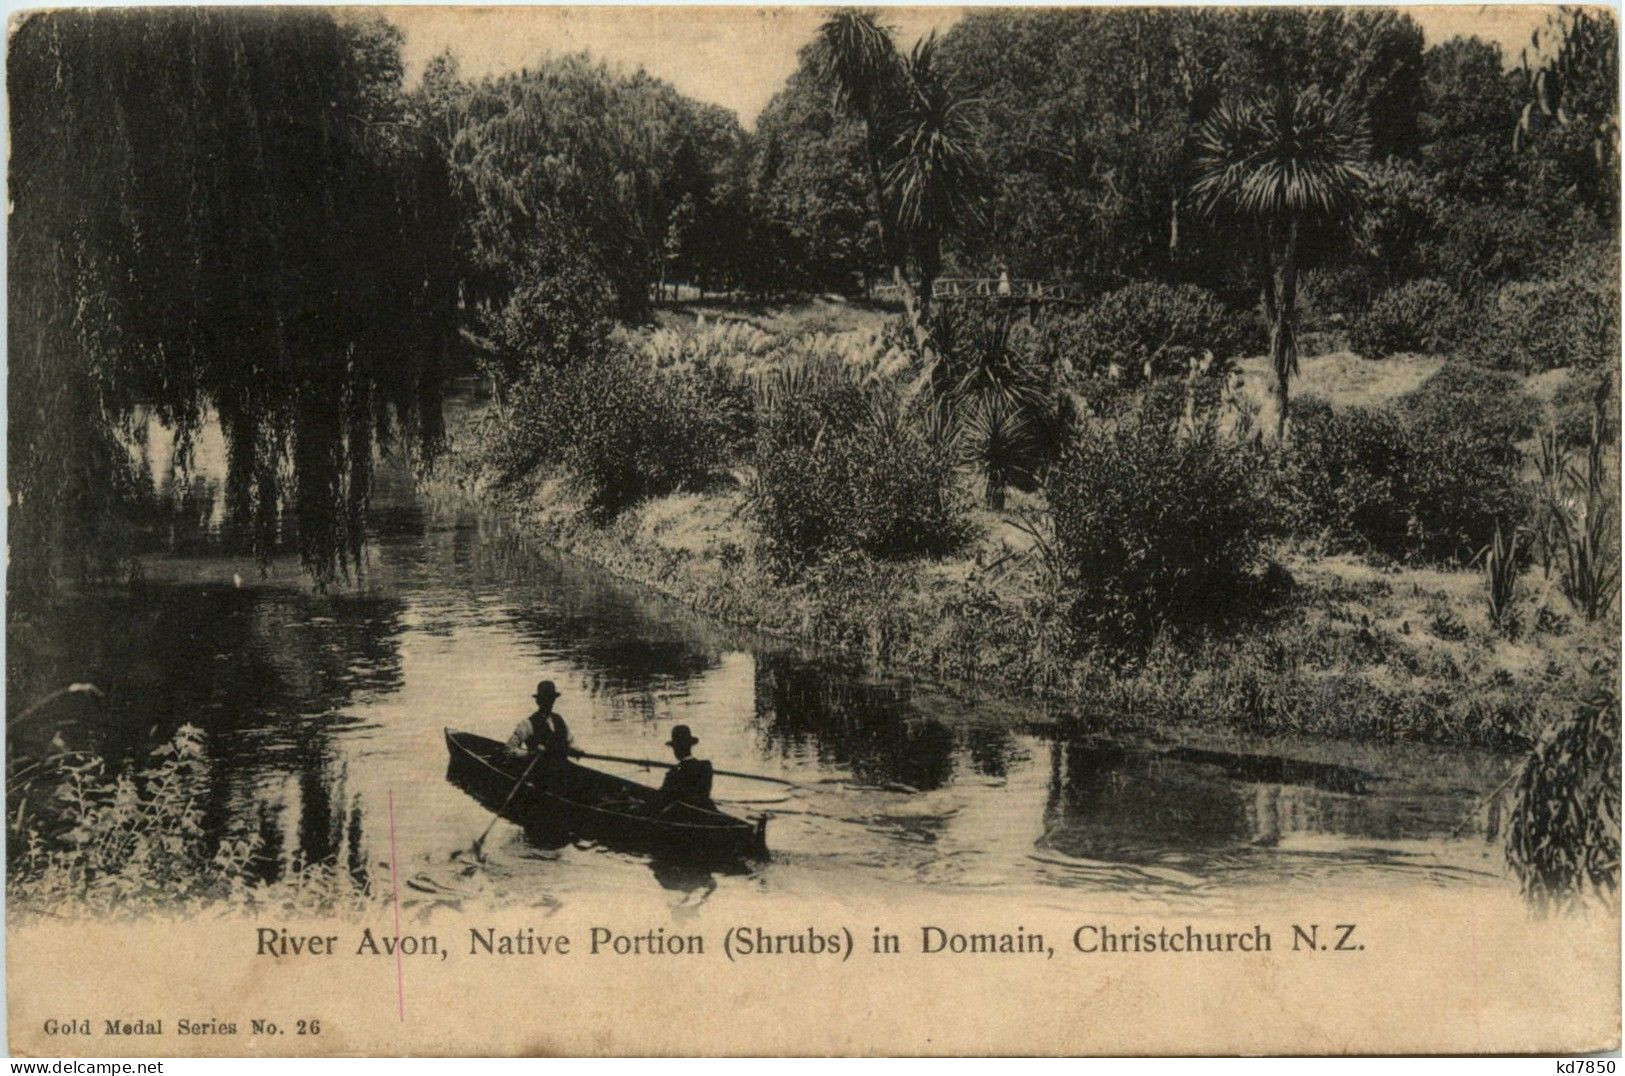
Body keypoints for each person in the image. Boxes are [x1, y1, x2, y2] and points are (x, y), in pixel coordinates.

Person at [650, 725, 714, 813]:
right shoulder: (705, 766)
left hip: (681, 814)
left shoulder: (674, 773)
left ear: (676, 749)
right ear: (690, 746)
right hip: (706, 812)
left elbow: (661, 799)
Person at [505, 680, 573, 761]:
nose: (549, 703)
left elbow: (570, 743)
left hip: (562, 769)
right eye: (545, 699)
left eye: (551, 699)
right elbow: (509, 750)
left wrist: (576, 750)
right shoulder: (528, 723)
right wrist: (531, 753)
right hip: (539, 770)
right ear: (538, 701)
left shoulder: (559, 720)